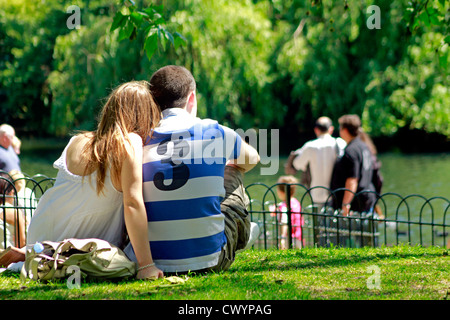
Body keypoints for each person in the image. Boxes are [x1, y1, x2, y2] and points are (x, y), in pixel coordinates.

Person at [124, 65, 261, 274]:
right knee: (234, 169)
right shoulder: (216, 132)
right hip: (211, 261)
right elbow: (253, 159)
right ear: (192, 99)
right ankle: (242, 232)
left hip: (153, 262)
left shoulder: (138, 140)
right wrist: (219, 164)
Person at [26, 81, 164, 280]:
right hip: (74, 251)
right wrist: (146, 266)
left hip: (40, 240)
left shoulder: (77, 140)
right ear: (144, 116)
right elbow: (132, 203)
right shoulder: (129, 142)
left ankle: (31, 253)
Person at [285, 116, 346, 210]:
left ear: (316, 130)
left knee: (319, 223)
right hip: (336, 192)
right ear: (331, 129)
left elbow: (297, 164)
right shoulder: (340, 143)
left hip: (317, 193)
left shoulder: (310, 146)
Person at [329, 114, 377, 216]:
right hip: (368, 196)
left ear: (345, 130)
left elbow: (352, 180)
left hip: (356, 203)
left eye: (340, 127)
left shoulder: (351, 151)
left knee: (353, 231)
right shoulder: (364, 146)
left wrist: (346, 204)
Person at [270, 175, 303, 249]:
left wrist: (282, 238)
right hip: (298, 237)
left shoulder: (284, 206)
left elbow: (285, 221)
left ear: (281, 192)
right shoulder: (296, 203)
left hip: (288, 238)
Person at [0, 172, 26, 249]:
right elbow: (21, 244)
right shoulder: (14, 212)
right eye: (14, 192)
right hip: (7, 258)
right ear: (9, 191)